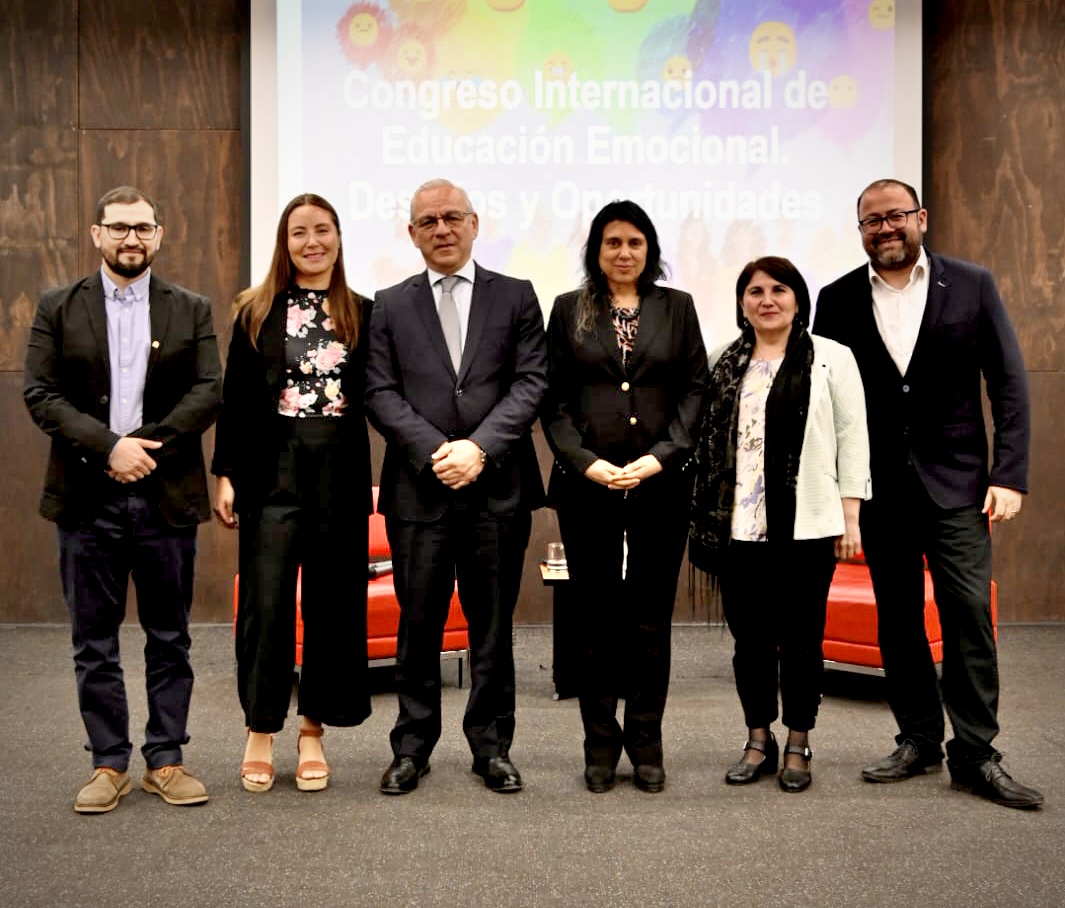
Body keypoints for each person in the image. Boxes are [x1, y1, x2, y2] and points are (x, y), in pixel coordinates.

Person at [813, 178, 1043, 809]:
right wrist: (839, 494)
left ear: (920, 218)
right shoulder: (834, 300)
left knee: (968, 614)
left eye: (894, 217)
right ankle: (917, 738)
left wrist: (1010, 474)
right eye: (870, 221)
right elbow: (827, 405)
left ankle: (975, 753)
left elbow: (1009, 383)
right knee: (898, 619)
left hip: (961, 486)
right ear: (858, 230)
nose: (883, 229)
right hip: (878, 488)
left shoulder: (971, 284)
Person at [23, 185, 221, 812]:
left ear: (159, 235)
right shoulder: (58, 306)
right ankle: (108, 763)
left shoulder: (190, 308)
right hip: (87, 498)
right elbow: (41, 393)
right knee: (94, 639)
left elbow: (209, 389)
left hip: (165, 495)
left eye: (142, 228)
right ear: (96, 235)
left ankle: (166, 759)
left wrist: (143, 446)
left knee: (170, 637)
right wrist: (109, 447)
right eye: (118, 228)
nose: (130, 239)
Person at [365, 178, 546, 795]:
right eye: (428, 221)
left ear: (475, 223)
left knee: (492, 627)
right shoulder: (387, 305)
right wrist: (435, 450)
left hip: (497, 490)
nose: (442, 229)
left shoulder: (517, 296)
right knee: (418, 626)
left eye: (452, 218)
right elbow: (379, 392)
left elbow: (530, 382)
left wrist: (479, 449)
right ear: (412, 233)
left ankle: (491, 748)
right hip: (420, 490)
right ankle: (412, 747)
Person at [541, 200, 708, 794]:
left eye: (635, 242)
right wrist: (586, 464)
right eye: (612, 243)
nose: (624, 253)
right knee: (595, 617)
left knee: (648, 618)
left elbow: (695, 390)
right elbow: (552, 399)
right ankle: (599, 743)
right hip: (589, 488)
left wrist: (659, 458)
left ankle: (646, 739)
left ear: (650, 249)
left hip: (661, 485)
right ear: (597, 250)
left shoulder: (678, 307)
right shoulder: (568, 310)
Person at [212, 193, 373, 793]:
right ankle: (260, 730)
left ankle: (312, 731)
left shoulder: (364, 311)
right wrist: (226, 473)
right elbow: (235, 400)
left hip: (339, 470)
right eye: (299, 232)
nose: (312, 241)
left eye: (323, 230)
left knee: (331, 605)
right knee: (267, 603)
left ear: (338, 237)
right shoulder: (255, 310)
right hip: (269, 469)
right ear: (284, 242)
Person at [690, 256, 870, 793]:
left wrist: (850, 516)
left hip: (807, 527)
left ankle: (798, 740)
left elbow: (852, 438)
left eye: (778, 290)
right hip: (738, 528)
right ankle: (757, 737)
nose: (766, 299)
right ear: (742, 302)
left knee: (800, 640)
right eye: (754, 291)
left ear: (798, 300)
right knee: (749, 642)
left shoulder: (831, 358)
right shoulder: (724, 358)